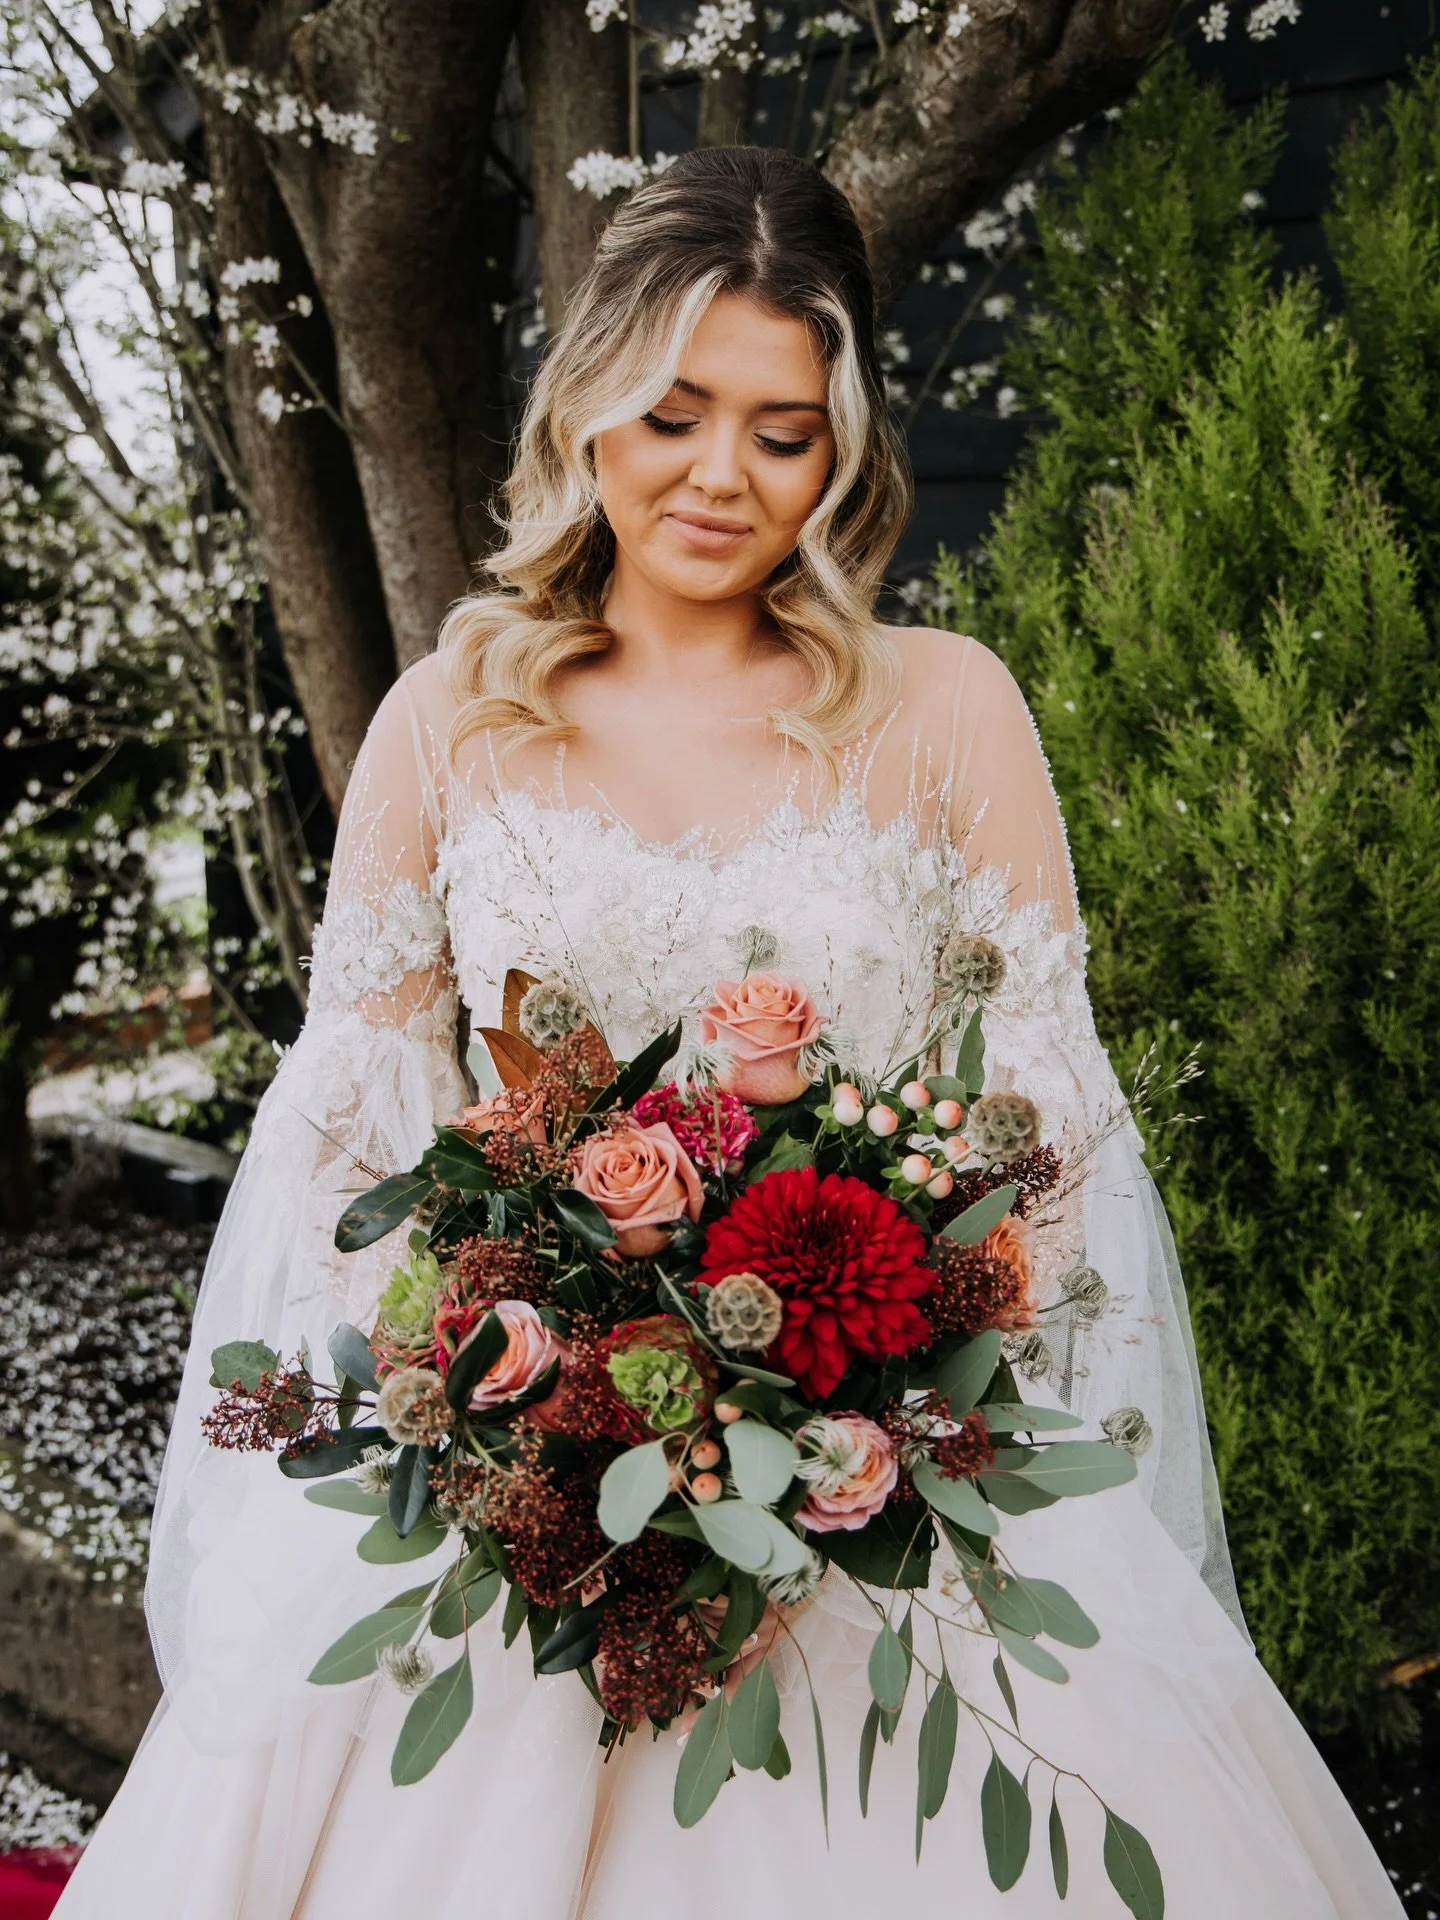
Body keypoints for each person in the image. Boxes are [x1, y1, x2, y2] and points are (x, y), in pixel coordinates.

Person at [55, 145, 1401, 1917]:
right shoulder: (452, 719)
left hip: (881, 1481)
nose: (721, 476)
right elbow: (352, 1147)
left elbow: (1048, 1130)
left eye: (782, 431)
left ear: (844, 450)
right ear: (586, 404)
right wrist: (522, 1430)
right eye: (676, 413)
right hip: (529, 1492)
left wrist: (860, 1445)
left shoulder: (947, 706)